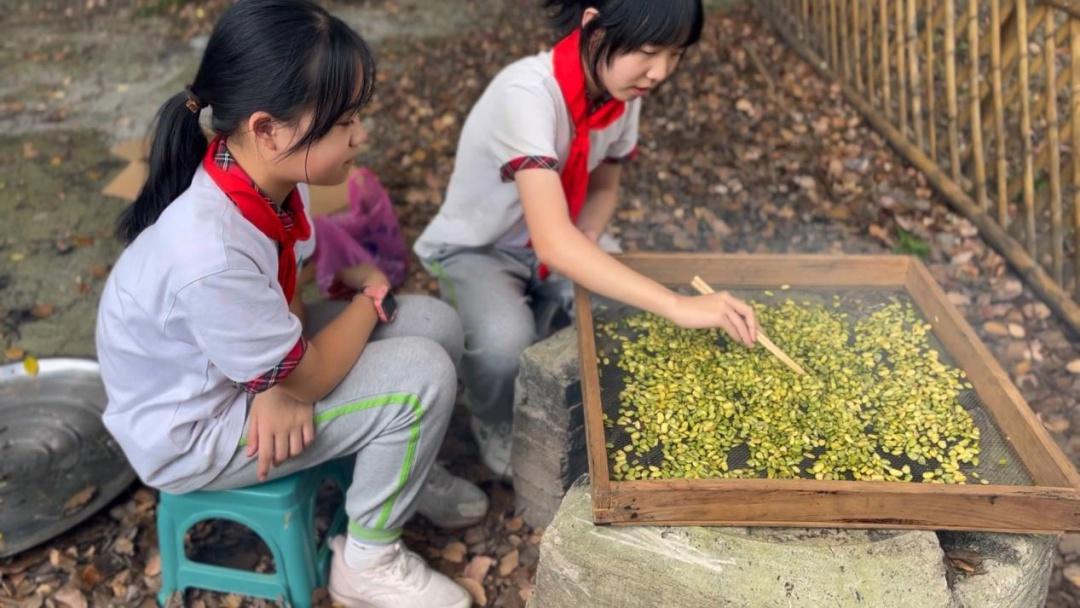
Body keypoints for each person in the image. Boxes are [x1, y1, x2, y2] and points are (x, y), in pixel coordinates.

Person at [95, 2, 481, 606]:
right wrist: (367, 298)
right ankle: (368, 560)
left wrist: (274, 382)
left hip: (236, 373)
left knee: (436, 322)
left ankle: (406, 470)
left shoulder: (264, 174)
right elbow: (313, 372)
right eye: (344, 122)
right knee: (420, 377)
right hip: (195, 429)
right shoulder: (211, 254)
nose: (361, 136)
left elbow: (284, 288)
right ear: (268, 128)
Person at [415, 0, 760, 479]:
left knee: (626, 311)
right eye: (646, 50)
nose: (660, 72)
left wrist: (591, 236)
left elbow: (604, 186)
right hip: (481, 248)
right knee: (503, 342)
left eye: (676, 55)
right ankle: (492, 420)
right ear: (593, 28)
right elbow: (554, 245)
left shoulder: (622, 96)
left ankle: (564, 347)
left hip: (563, 232)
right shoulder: (527, 95)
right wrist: (676, 304)